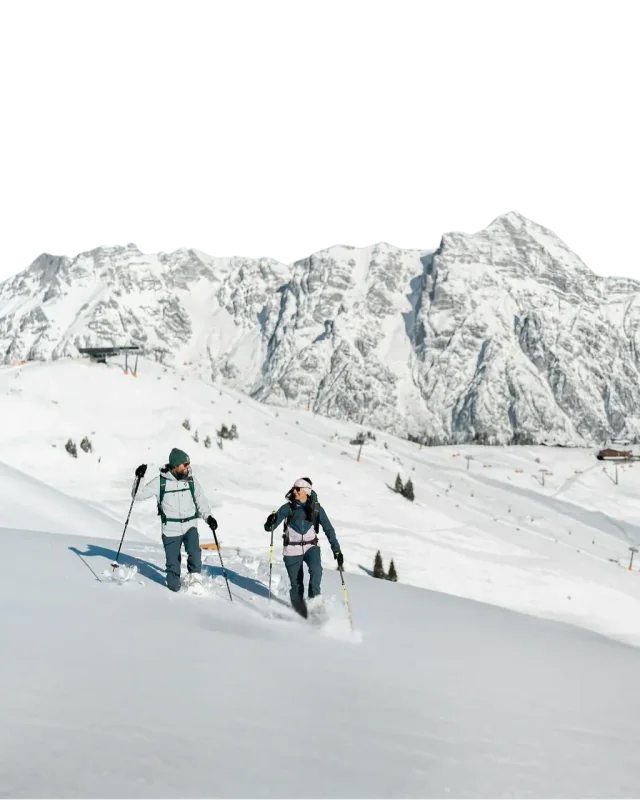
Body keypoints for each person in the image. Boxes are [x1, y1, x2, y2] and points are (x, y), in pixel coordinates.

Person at [133, 448, 218, 592]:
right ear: (176, 465)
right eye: (185, 464)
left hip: (190, 525)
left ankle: (195, 579)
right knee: (173, 580)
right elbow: (138, 495)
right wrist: (139, 478)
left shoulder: (191, 480)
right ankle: (175, 591)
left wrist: (208, 517)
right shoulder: (160, 482)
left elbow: (200, 500)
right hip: (170, 530)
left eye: (188, 464)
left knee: (195, 552)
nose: (188, 467)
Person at [264, 477, 343, 618]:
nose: (294, 491)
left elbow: (329, 529)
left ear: (306, 491)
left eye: (297, 489)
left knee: (316, 571)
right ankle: (300, 614)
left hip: (311, 546)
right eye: (294, 488)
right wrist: (270, 521)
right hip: (292, 549)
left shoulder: (316, 508)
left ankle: (315, 607)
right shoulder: (287, 507)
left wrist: (336, 550)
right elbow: (270, 528)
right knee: (297, 585)